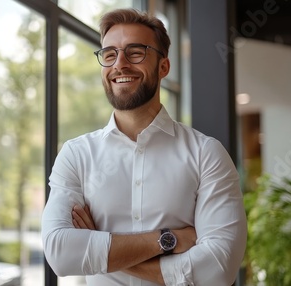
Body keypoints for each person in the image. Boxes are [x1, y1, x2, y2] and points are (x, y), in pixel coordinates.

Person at [41, 8, 247, 285]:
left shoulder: (206, 154)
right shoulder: (76, 155)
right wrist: (167, 240)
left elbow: (217, 270)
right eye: (110, 54)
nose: (120, 64)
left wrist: (100, 243)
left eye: (135, 52)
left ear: (163, 67)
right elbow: (60, 254)